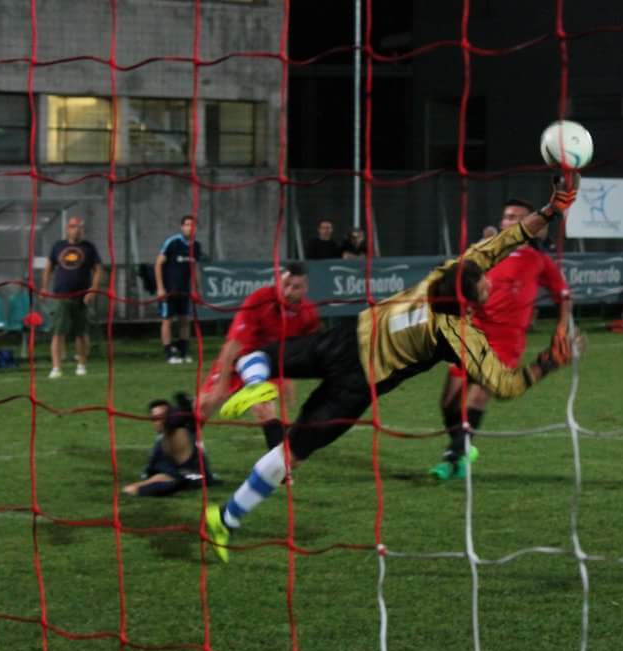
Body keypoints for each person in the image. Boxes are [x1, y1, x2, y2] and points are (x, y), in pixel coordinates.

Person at [203, 180, 581, 562]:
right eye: (485, 284)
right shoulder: (456, 333)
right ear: (470, 298)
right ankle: (225, 516)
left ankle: (250, 396)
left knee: (262, 358)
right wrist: (550, 360)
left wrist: (551, 209)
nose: (489, 281)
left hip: (347, 340)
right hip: (357, 385)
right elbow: (505, 385)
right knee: (292, 454)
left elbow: (507, 239)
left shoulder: (443, 274)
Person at [429, 197, 572, 481]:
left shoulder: (539, 261)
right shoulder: (482, 255)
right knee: (448, 401)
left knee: (480, 393)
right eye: (508, 216)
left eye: (519, 217)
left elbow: (563, 295)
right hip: (471, 334)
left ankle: (454, 457)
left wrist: (562, 328)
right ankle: (461, 449)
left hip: (506, 340)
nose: (512, 221)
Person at [197, 262, 321, 450]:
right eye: (285, 284)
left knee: (264, 408)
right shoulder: (259, 300)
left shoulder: (309, 314)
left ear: (305, 288)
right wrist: (222, 384)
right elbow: (233, 344)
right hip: (239, 358)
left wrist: (288, 377)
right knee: (205, 405)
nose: (288, 291)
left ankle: (279, 464)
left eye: (295, 287)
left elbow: (298, 349)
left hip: (269, 364)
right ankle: (189, 448)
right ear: (278, 281)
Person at [41, 216, 103, 379]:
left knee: (81, 333)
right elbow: (48, 268)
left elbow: (98, 269)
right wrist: (44, 288)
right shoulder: (58, 246)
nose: (77, 230)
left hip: (81, 296)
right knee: (58, 332)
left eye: (80, 227)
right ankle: (56, 367)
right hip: (61, 295)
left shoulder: (89, 247)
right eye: (74, 227)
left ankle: (81, 365)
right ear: (68, 229)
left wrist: (93, 289)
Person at [122, 395, 220, 497]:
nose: (160, 421)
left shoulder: (180, 434)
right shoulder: (162, 440)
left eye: (164, 416)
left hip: (190, 475)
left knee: (135, 489)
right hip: (174, 474)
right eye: (156, 418)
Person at [156, 215, 205, 364]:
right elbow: (158, 263)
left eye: (193, 225)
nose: (190, 228)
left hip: (185, 290)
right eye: (187, 225)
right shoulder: (173, 242)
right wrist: (160, 288)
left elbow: (195, 268)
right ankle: (169, 353)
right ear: (182, 227)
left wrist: (198, 289)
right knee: (167, 320)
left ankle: (184, 351)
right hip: (170, 289)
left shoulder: (196, 246)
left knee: (185, 319)